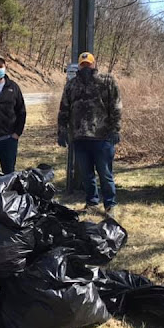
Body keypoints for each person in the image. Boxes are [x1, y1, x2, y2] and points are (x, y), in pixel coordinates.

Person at [57, 52, 122, 217]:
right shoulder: (72, 85)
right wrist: (62, 130)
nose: (86, 67)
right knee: (86, 175)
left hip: (102, 137)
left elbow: (116, 106)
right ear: (79, 66)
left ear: (94, 64)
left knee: (105, 174)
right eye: (83, 64)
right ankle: (92, 203)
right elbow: (64, 108)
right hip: (79, 138)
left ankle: (110, 205)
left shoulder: (106, 81)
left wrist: (115, 129)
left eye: (89, 64)